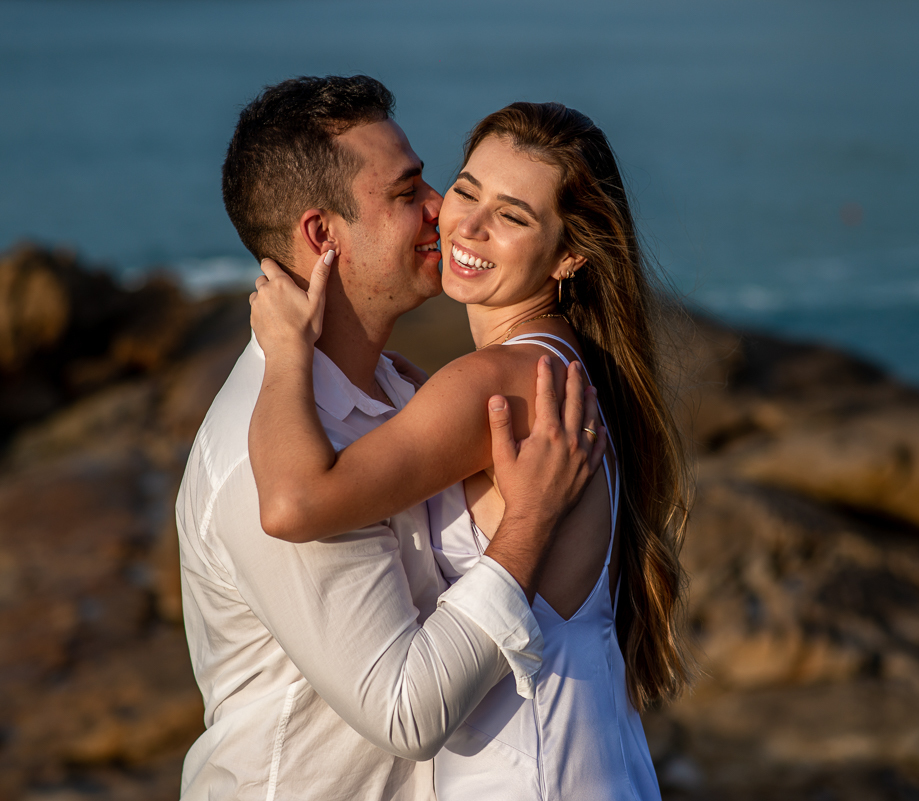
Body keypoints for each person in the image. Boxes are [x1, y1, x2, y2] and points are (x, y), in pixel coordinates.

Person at [175, 76, 607, 801]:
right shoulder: (265, 454)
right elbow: (406, 710)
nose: (444, 210)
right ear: (322, 236)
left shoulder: (402, 395)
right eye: (408, 193)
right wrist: (527, 525)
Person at [248, 101, 694, 800]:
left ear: (570, 254)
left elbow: (291, 501)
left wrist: (282, 354)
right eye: (465, 189)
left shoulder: (494, 384)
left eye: (514, 216)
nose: (468, 225)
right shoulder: (557, 366)